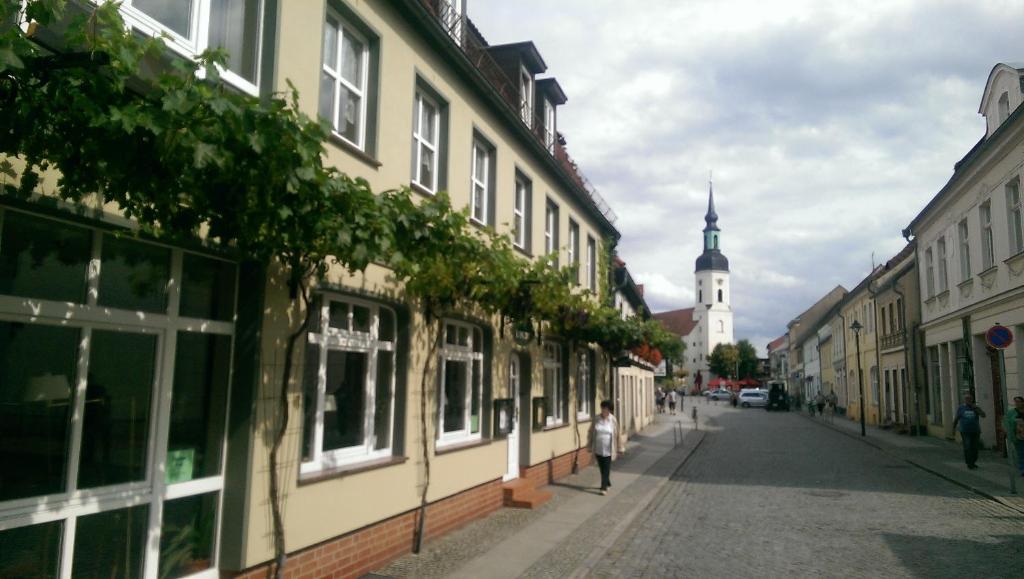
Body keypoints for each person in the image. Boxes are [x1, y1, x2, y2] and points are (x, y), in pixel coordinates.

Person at [588, 400, 620, 495]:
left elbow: (617, 434)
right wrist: (589, 445)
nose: (603, 410)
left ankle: (603, 487)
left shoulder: (613, 420)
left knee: (606, 467)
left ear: (609, 410)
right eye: (602, 408)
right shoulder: (597, 419)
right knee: (602, 467)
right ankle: (607, 482)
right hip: (598, 448)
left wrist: (620, 447)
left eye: (605, 409)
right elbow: (591, 432)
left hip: (609, 448)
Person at [952, 393, 987, 470]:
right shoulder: (961, 408)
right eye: (966, 399)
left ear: (972, 399)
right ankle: (969, 463)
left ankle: (973, 461)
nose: (968, 400)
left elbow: (983, 415)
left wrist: (976, 408)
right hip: (965, 431)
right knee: (967, 447)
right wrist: (953, 429)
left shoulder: (975, 407)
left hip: (975, 431)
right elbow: (956, 419)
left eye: (970, 399)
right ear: (964, 400)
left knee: (975, 447)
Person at [1001, 396, 1024, 477]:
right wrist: (1006, 431)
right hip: (1017, 436)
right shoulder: (1011, 412)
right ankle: (1022, 469)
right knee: (1021, 453)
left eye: (1019, 401)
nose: (1017, 403)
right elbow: (1005, 422)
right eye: (1016, 402)